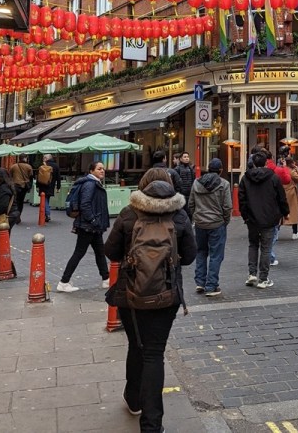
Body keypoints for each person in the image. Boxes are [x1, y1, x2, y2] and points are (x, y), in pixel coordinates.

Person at [104, 168, 196, 430]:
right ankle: (152, 425)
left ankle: (133, 398)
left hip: (131, 295)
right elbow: (189, 256)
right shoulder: (179, 215)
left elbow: (110, 251)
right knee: (154, 353)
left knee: (136, 345)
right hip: (166, 296)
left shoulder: (129, 214)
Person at [57, 162, 111, 292]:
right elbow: (85, 204)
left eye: (103, 169)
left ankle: (106, 279)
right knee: (79, 252)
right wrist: (93, 219)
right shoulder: (90, 184)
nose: (102, 171)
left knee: (100, 252)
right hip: (88, 225)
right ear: (91, 171)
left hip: (92, 226)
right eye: (99, 169)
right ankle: (64, 281)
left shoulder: (94, 183)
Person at [237, 151, 288, 288]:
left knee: (253, 245)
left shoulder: (245, 178)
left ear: (253, 163)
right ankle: (263, 278)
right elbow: (281, 197)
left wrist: (245, 215)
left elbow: (241, 199)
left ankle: (252, 274)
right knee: (266, 248)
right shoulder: (273, 178)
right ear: (266, 162)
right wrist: (285, 212)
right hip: (269, 217)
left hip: (252, 218)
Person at [188, 158, 232, 297]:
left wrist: (196, 216)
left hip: (200, 223)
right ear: (220, 170)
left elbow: (191, 203)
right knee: (216, 255)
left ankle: (200, 282)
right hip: (216, 223)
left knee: (201, 252)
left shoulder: (196, 183)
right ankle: (211, 285)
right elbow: (227, 206)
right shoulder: (223, 184)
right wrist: (225, 220)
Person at [0, 167, 18, 279]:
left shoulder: (4, 189)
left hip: (7, 217)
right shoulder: (5, 187)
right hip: (11, 215)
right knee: (2, 241)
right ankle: (5, 265)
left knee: (1, 241)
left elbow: (3, 205)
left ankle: (7, 266)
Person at [276, 155, 298, 241]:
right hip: (291, 193)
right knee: (294, 212)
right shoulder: (291, 171)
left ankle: (276, 232)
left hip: (283, 193)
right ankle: (295, 233)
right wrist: (296, 168)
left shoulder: (281, 170)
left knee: (282, 213)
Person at [9, 154, 34, 223]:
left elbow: (10, 176)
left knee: (15, 201)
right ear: (25, 158)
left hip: (15, 186)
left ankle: (14, 214)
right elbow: (31, 177)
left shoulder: (13, 166)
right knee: (21, 202)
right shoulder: (29, 167)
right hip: (24, 186)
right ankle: (18, 215)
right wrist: (30, 186)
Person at [37, 153, 61, 222]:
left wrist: (37, 186)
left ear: (46, 158)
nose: (43, 159)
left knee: (44, 200)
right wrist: (58, 187)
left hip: (43, 185)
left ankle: (47, 213)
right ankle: (46, 214)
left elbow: (39, 176)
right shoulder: (56, 166)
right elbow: (58, 177)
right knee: (47, 198)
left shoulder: (42, 166)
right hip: (51, 185)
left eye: (44, 158)